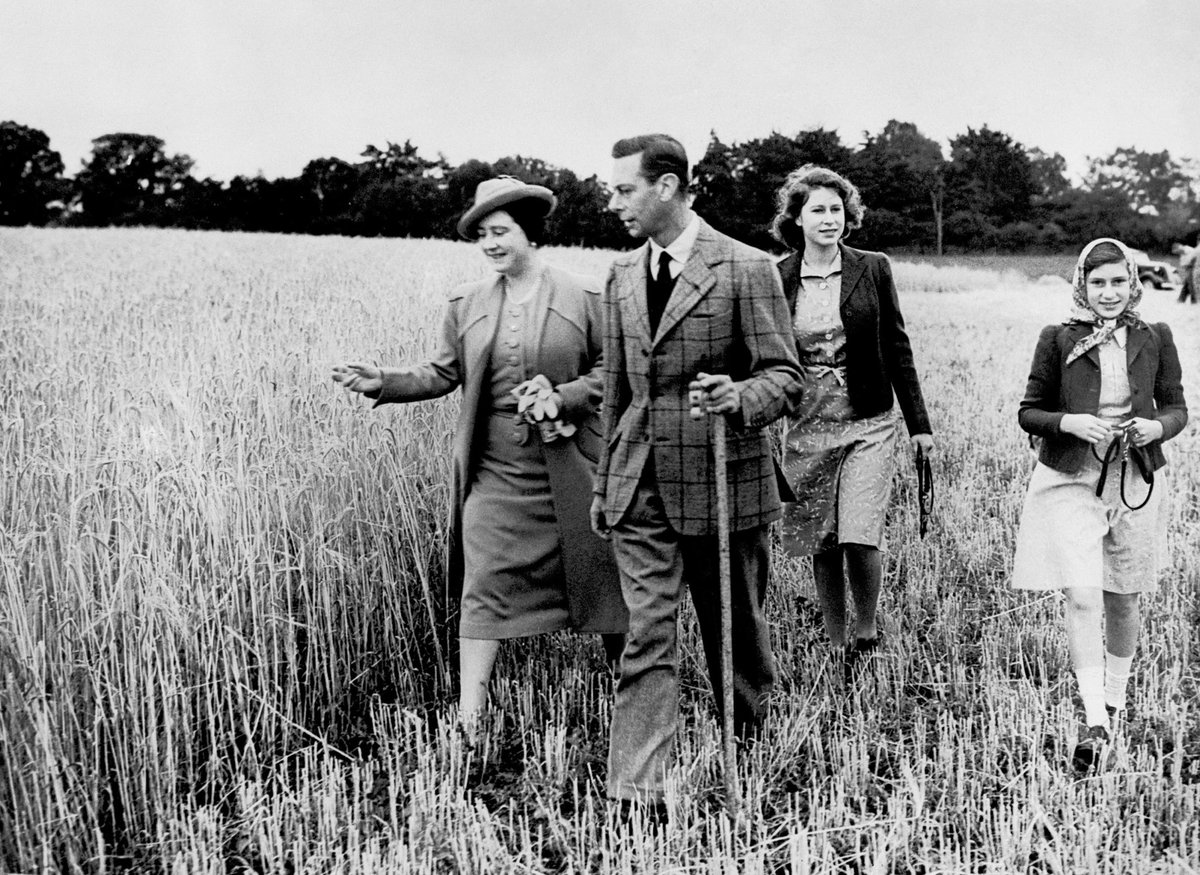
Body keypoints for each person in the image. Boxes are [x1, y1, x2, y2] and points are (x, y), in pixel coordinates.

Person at [333, 176, 627, 731]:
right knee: (485, 580)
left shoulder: (586, 296)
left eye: (501, 231)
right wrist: (383, 381)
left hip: (571, 463)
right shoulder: (465, 303)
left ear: (530, 232)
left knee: (600, 576)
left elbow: (612, 372)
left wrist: (564, 396)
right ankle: (470, 714)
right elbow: (443, 372)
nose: (491, 243)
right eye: (483, 234)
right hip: (495, 471)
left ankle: (627, 690)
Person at [590, 134, 803, 813]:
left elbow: (786, 378)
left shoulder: (744, 268)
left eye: (624, 188)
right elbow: (618, 393)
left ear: (668, 186)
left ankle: (752, 737)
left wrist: (739, 396)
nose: (613, 200)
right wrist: (605, 486)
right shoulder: (621, 275)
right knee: (647, 632)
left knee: (732, 625)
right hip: (640, 479)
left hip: (722, 479)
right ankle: (638, 790)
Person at [1012, 237, 1187, 768]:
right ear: (1082, 286)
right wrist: (1069, 422)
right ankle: (1095, 720)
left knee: (1123, 596)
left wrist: (1156, 427)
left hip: (1133, 480)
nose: (1108, 293)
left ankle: (1114, 699)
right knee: (1083, 596)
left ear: (1133, 283)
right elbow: (1029, 411)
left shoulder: (1155, 336)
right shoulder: (1057, 337)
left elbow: (1177, 406)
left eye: (1117, 281)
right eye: (1098, 282)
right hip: (1070, 478)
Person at [769, 165, 934, 670]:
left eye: (836, 209)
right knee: (821, 534)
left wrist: (920, 426)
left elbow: (897, 346)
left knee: (859, 532)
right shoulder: (778, 276)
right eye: (817, 209)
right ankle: (835, 636)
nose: (829, 218)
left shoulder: (873, 267)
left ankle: (866, 631)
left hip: (869, 416)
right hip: (809, 419)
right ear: (796, 219)